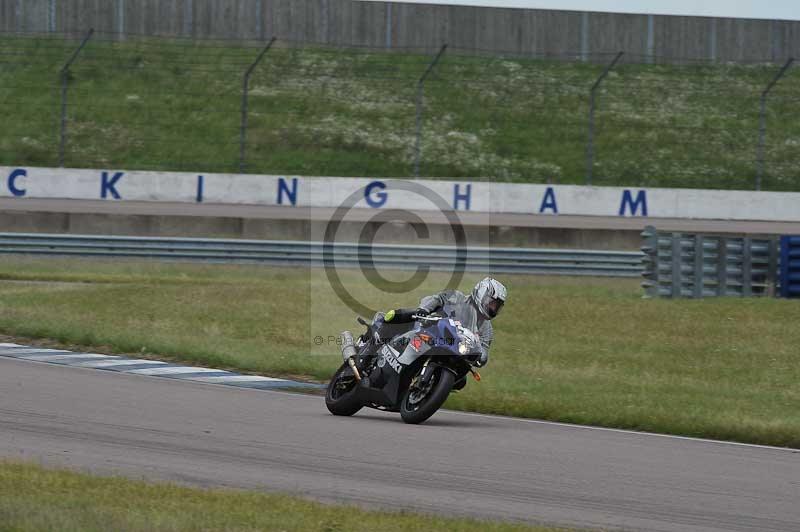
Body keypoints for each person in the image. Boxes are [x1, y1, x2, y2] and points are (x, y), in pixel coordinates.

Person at [361, 277, 507, 368]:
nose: (493, 308)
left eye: (496, 306)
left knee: (461, 381)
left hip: (451, 350)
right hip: (428, 329)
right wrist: (424, 310)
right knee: (397, 315)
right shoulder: (457, 297)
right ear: (481, 293)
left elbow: (484, 352)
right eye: (491, 303)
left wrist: (479, 358)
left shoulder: (487, 329)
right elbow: (436, 299)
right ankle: (368, 352)